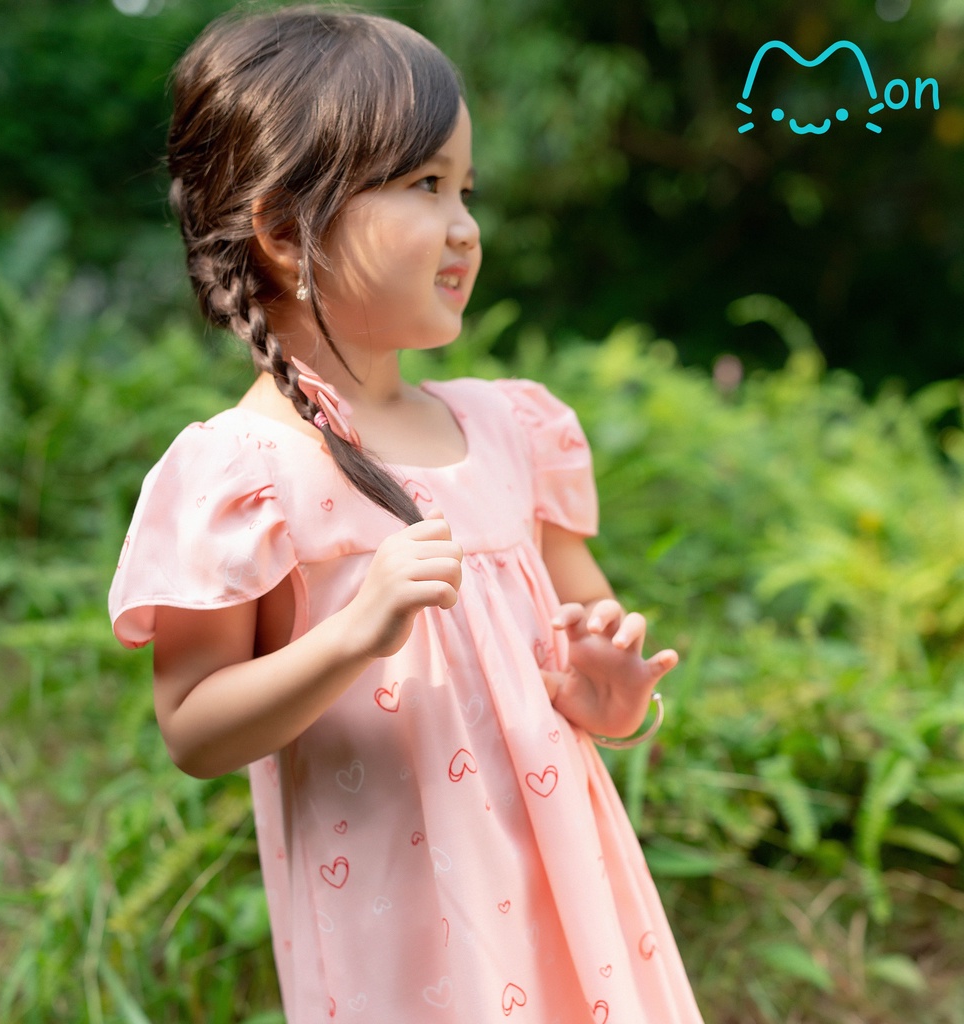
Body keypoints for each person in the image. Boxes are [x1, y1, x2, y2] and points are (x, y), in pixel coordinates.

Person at [109, 5, 704, 1021]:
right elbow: (194, 729)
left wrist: (609, 698)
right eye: (425, 185)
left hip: (571, 914)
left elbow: (589, 652)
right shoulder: (243, 474)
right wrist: (355, 631)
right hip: (403, 939)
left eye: (466, 190)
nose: (465, 226)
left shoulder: (513, 430)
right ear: (283, 230)